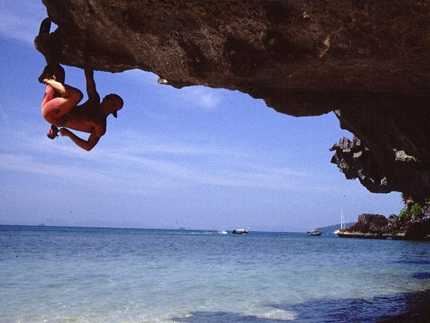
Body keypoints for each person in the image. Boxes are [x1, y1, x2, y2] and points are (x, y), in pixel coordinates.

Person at [39, 63, 124, 151]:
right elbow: (89, 76)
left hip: (53, 116)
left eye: (108, 99)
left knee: (77, 95)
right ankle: (47, 77)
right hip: (51, 102)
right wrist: (88, 60)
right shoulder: (94, 100)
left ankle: (46, 79)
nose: (104, 98)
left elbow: (88, 146)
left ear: (113, 108)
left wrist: (68, 133)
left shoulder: (100, 125)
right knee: (57, 69)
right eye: (106, 96)